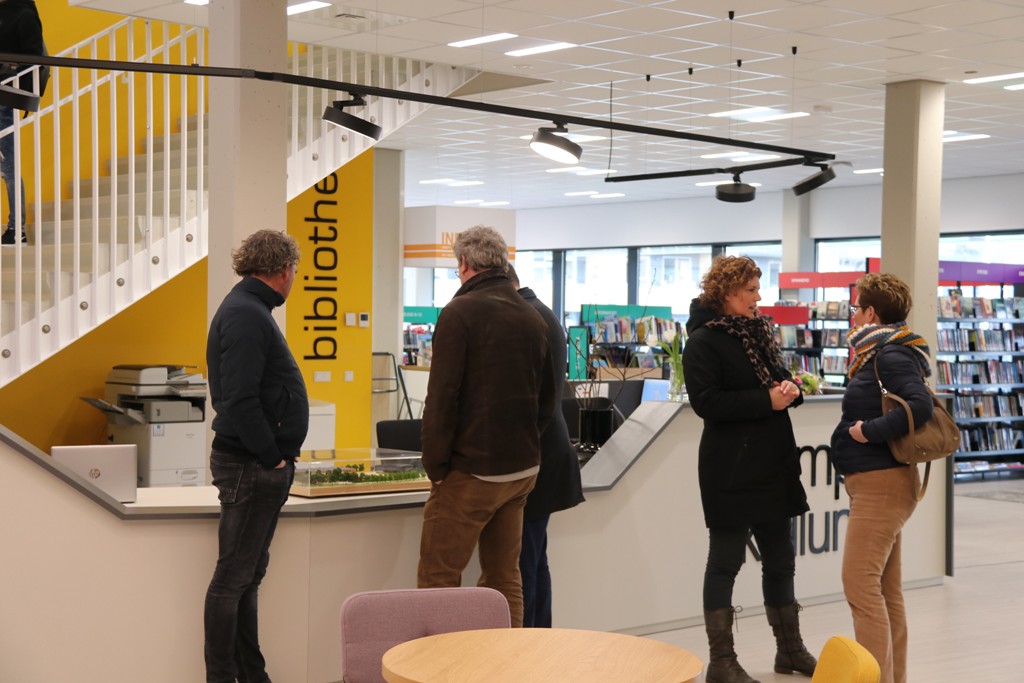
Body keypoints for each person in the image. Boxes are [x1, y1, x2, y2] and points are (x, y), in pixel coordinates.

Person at [682, 255, 817, 683]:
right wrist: (766, 400)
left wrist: (789, 388)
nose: (759, 297)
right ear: (727, 293)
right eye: (751, 290)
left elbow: (776, 378)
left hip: (772, 462)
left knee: (781, 559)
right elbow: (706, 402)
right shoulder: (702, 341)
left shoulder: (758, 332)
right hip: (731, 468)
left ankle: (790, 651)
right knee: (725, 562)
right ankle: (721, 662)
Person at [417, 225, 555, 628]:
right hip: (521, 471)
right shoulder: (531, 316)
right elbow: (548, 398)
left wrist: (436, 467)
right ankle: (507, 658)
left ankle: (437, 660)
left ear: (463, 263)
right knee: (504, 578)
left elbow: (441, 399)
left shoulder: (459, 313)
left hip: (471, 471)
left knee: (439, 578)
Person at [204, 229, 308, 683]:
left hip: (255, 464)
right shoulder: (247, 314)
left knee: (245, 578)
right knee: (232, 581)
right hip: (251, 465)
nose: (293, 279)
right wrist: (271, 457)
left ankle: (251, 674)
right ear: (284, 270)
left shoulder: (249, 309)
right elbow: (240, 399)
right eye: (295, 271)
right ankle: (223, 676)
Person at [830, 273, 932, 683]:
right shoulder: (881, 352)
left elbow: (919, 406)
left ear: (871, 312)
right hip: (880, 481)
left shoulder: (889, 355)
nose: (854, 314)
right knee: (886, 590)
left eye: (857, 307)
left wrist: (867, 431)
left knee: (859, 585)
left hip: (881, 482)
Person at [507, 264, 584, 628]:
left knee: (526, 562)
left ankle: (529, 641)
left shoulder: (527, 317)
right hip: (549, 454)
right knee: (535, 560)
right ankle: (540, 637)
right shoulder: (541, 312)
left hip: (537, 457)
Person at [0, 0, 48, 245]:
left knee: (7, 165)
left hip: (4, 93)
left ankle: (16, 229)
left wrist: (10, 71)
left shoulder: (24, 15)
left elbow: (33, 58)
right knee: (6, 165)